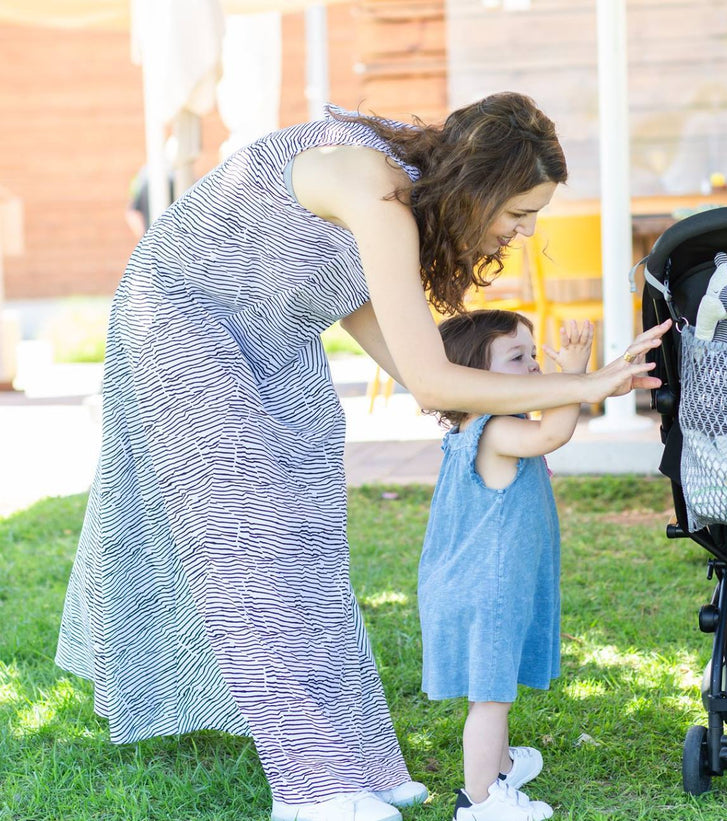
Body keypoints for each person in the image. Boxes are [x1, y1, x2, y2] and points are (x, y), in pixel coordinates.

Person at [54, 91, 671, 821]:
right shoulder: (378, 192)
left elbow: (420, 373)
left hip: (272, 334)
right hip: (183, 320)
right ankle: (311, 789)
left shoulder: (399, 201)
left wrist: (556, 394)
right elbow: (438, 376)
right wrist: (591, 383)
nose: (519, 233)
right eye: (518, 213)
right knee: (246, 553)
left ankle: (359, 762)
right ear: (479, 187)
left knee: (307, 551)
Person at [420, 310, 594, 821]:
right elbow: (554, 433)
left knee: (492, 689)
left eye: (533, 354)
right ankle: (478, 803)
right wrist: (577, 372)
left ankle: (502, 768)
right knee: (490, 699)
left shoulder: (484, 426)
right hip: (486, 587)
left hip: (479, 582)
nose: (535, 365)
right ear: (474, 378)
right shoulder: (495, 429)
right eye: (517, 358)